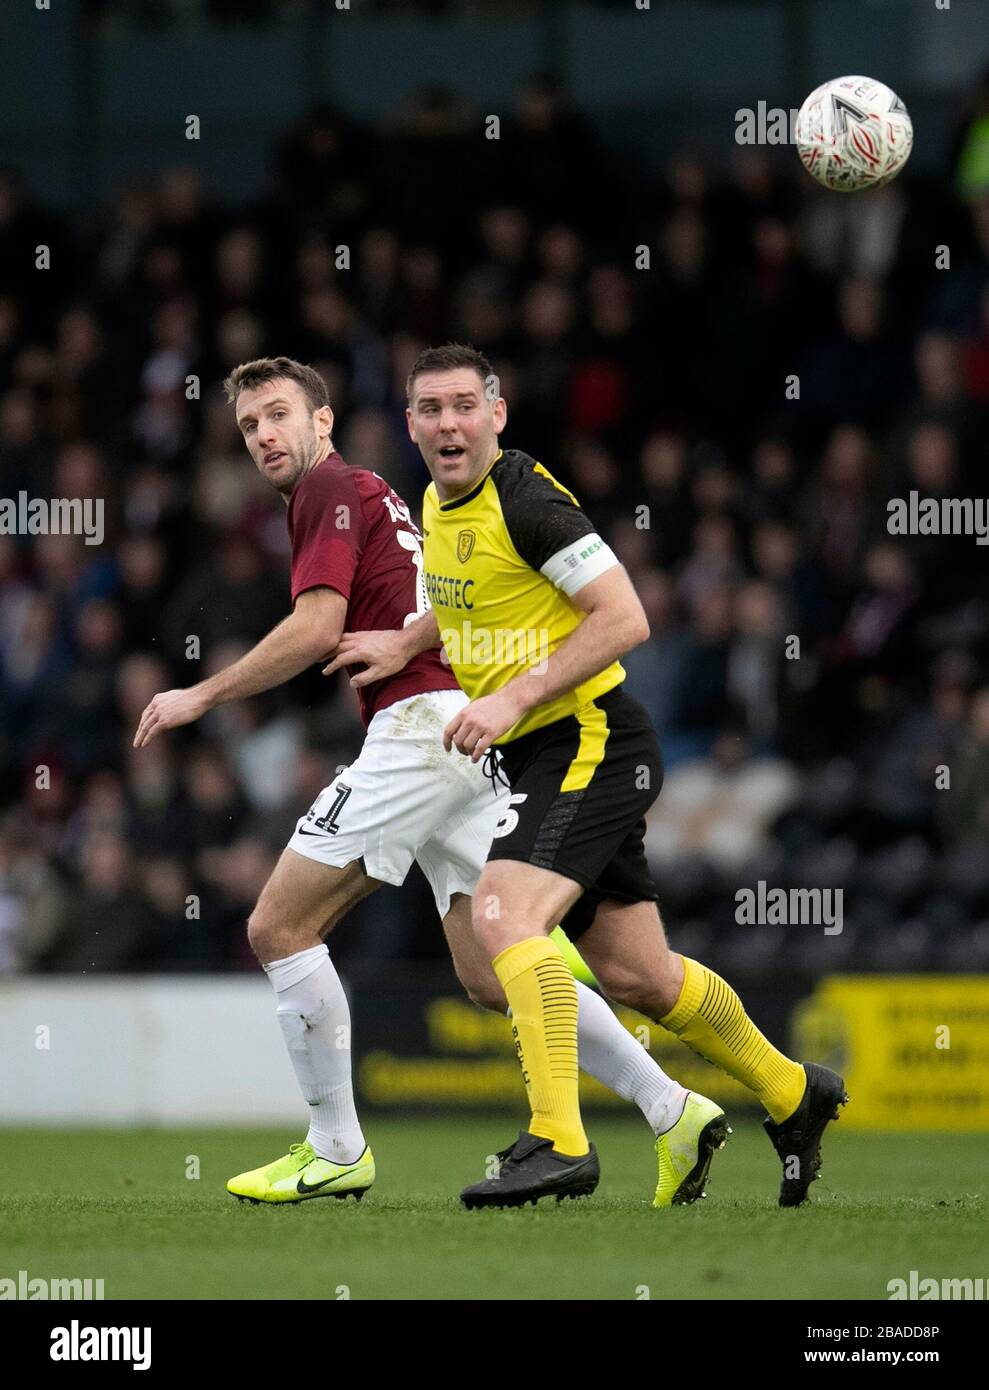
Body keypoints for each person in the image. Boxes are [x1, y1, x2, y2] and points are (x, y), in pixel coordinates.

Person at [133, 355, 725, 1207]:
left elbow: (316, 627)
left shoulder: (327, 489)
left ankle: (335, 1148)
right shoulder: (374, 490)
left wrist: (202, 693)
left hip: (420, 731)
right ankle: (671, 1106)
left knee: (277, 926)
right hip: (468, 727)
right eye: (249, 425)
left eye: (278, 416)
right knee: (492, 972)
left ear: (322, 422)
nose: (265, 435)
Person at [326, 343, 846, 1209]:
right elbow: (468, 598)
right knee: (640, 975)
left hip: (586, 737)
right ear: (409, 421)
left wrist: (509, 699)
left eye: (464, 405)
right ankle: (795, 1094)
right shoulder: (438, 499)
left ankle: (558, 1142)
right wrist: (406, 641)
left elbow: (626, 616)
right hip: (545, 750)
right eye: (429, 408)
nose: (448, 423)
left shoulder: (528, 500)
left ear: (498, 412)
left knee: (502, 914)